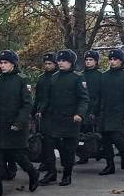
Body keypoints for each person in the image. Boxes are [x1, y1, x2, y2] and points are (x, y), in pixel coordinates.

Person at [0, 50, 39, 196]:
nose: (2, 66)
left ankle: (33, 173)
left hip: (15, 126)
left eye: (5, 63)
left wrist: (19, 122)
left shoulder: (22, 79)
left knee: (19, 156)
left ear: (13, 64)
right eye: (0, 63)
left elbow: (27, 105)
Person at [38, 49, 89, 186]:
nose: (61, 63)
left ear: (71, 62)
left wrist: (79, 114)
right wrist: (41, 110)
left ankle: (67, 174)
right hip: (53, 118)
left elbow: (83, 99)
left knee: (68, 149)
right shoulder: (54, 77)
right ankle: (51, 172)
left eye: (64, 61)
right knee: (48, 145)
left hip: (70, 119)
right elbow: (47, 98)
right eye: (59, 60)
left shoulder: (78, 77)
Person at [93, 49, 124, 175]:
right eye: (111, 59)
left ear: (121, 61)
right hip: (105, 112)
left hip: (119, 113)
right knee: (105, 140)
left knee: (116, 137)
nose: (112, 62)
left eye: (115, 59)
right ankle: (109, 165)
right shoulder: (104, 76)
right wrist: (94, 112)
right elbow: (99, 96)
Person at [33, 52, 58, 173]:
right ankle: (45, 162)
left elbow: (51, 97)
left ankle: (52, 165)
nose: (47, 66)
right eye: (46, 63)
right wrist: (34, 111)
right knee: (43, 140)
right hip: (41, 113)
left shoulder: (57, 77)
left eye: (50, 63)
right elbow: (38, 96)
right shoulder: (42, 78)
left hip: (53, 113)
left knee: (51, 141)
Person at [77, 49, 103, 164]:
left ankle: (99, 152)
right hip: (83, 108)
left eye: (90, 60)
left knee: (95, 133)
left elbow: (101, 95)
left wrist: (95, 110)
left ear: (96, 61)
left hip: (95, 107)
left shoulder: (101, 76)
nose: (88, 62)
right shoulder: (80, 75)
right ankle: (83, 155)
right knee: (81, 134)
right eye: (86, 60)